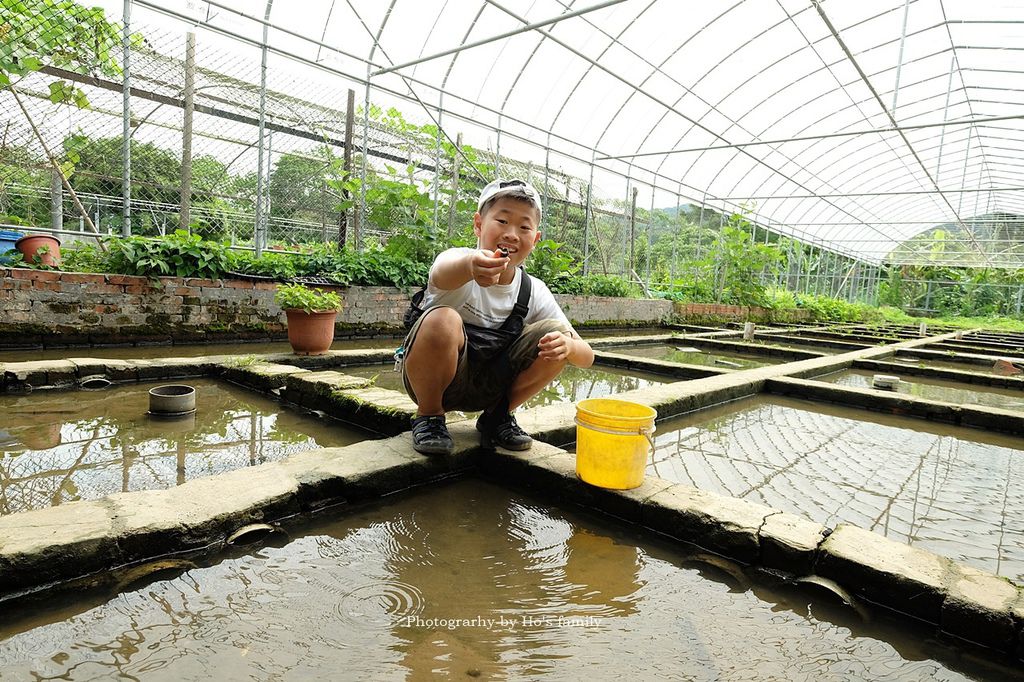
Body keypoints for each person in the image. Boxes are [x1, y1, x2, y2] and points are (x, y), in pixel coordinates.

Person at [401, 178, 594, 455]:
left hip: (492, 387)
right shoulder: (457, 261)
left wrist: (569, 347)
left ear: (535, 238)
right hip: (435, 383)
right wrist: (470, 266)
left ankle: (498, 416)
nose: (512, 234)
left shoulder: (533, 290)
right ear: (478, 224)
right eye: (502, 221)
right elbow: (440, 273)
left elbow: (587, 356)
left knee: (556, 335)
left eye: (524, 226)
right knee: (442, 318)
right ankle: (429, 416)